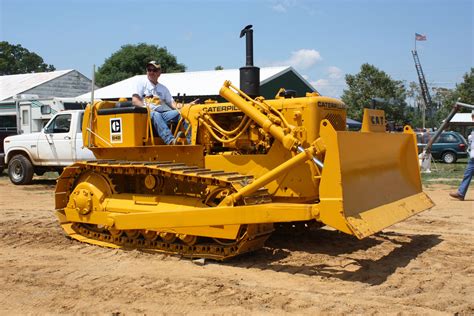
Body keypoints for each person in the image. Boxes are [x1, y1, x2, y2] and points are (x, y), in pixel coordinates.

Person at [135, 61, 187, 144]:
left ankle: (190, 140)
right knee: (156, 114)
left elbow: (173, 104)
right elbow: (135, 100)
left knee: (182, 114)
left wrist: (187, 106)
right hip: (146, 114)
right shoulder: (142, 83)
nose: (151, 72)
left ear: (159, 72)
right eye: (149, 70)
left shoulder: (163, 88)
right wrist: (146, 109)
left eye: (154, 70)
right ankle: (170, 140)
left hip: (162, 114)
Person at [449, 111, 474, 201]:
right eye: (473, 116)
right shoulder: (472, 131)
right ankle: (461, 193)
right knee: (467, 174)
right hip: (472, 158)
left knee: (467, 174)